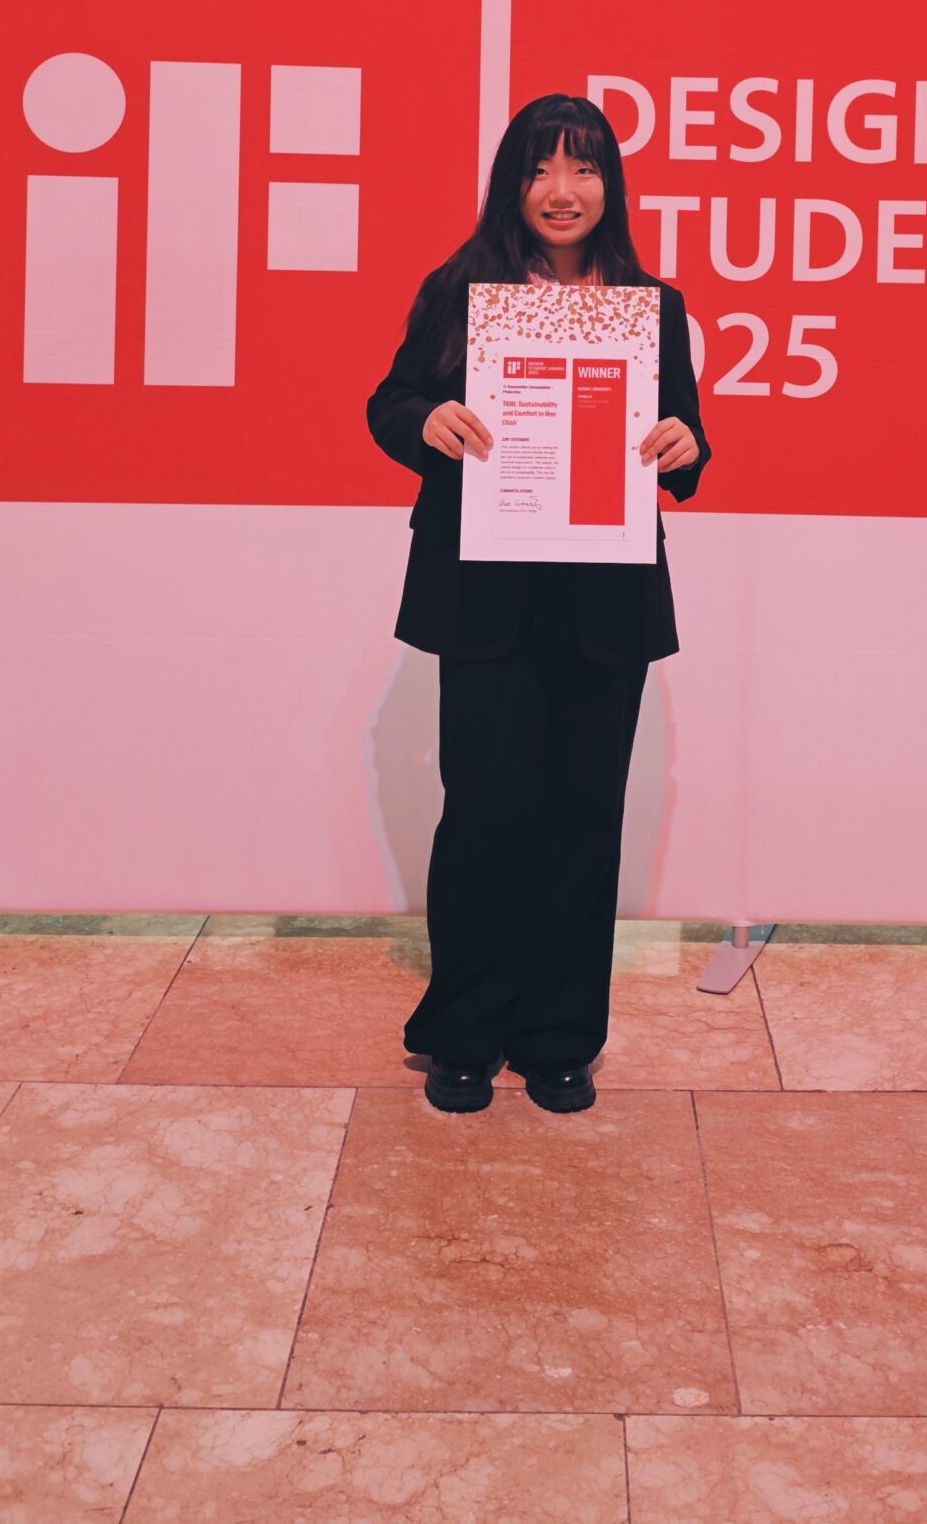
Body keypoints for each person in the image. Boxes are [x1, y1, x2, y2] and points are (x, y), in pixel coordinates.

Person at [367, 94, 709, 1116]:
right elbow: (389, 402)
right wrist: (428, 419)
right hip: (487, 595)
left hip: (604, 602)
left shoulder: (651, 305)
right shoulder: (462, 289)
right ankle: (465, 1032)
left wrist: (685, 446)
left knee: (583, 816)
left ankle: (559, 1036)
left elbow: (684, 438)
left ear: (612, 185)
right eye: (540, 169)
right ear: (511, 184)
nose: (563, 191)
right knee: (484, 809)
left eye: (584, 168)